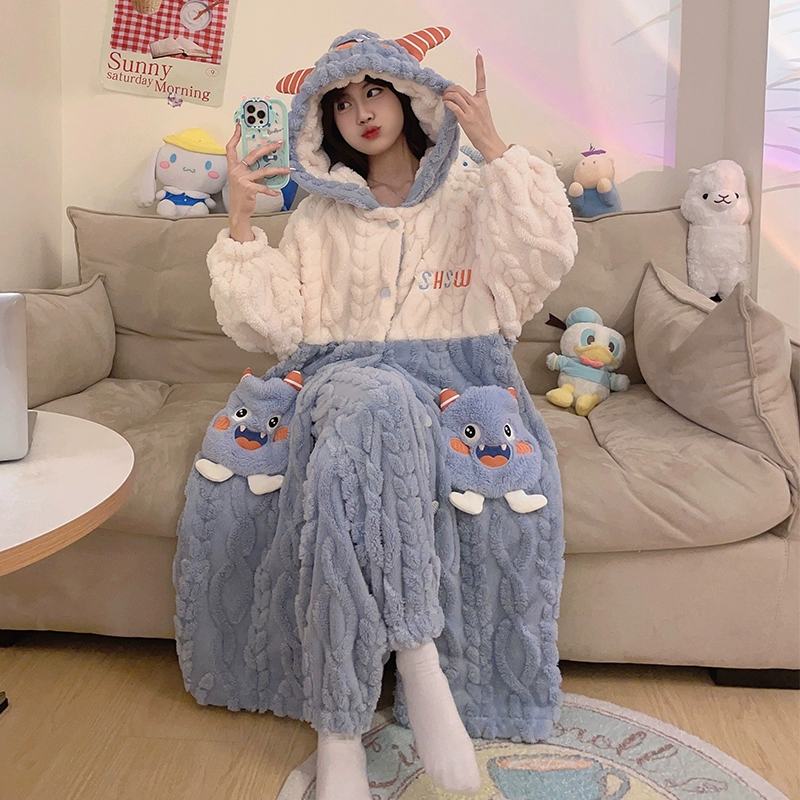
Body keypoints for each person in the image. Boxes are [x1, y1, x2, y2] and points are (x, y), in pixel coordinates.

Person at [175, 28, 577, 800]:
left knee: (343, 464)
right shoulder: (320, 213)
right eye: (342, 102)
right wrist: (240, 221)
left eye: (374, 92)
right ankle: (421, 665)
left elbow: (543, 260)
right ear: (323, 120)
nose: (360, 111)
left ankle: (338, 735)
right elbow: (274, 327)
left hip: (451, 379)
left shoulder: (469, 192)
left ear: (406, 98)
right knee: (372, 399)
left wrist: (496, 148)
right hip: (336, 373)